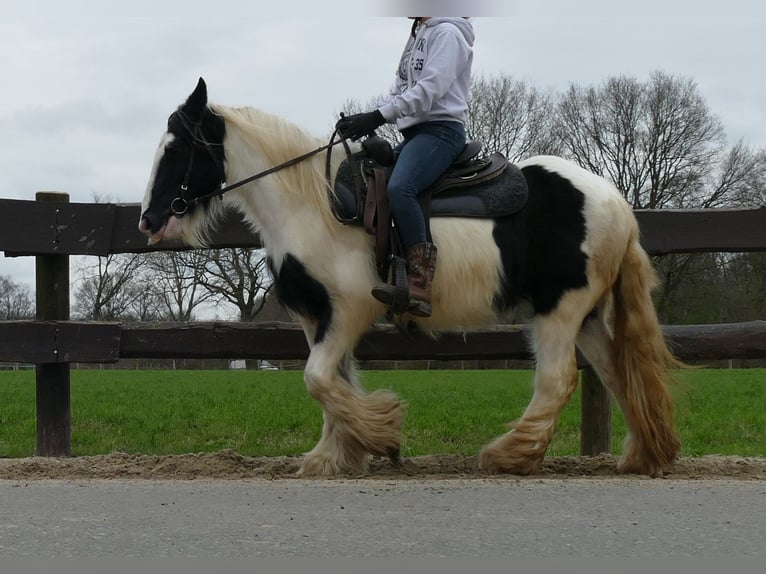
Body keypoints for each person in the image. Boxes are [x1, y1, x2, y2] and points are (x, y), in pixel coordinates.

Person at [336, 17, 475, 318]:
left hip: (441, 132)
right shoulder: (419, 35)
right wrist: (366, 117)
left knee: (401, 189)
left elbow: (430, 89)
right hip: (414, 135)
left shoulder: (448, 33)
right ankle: (390, 271)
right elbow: (400, 89)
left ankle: (420, 285)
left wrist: (378, 116)